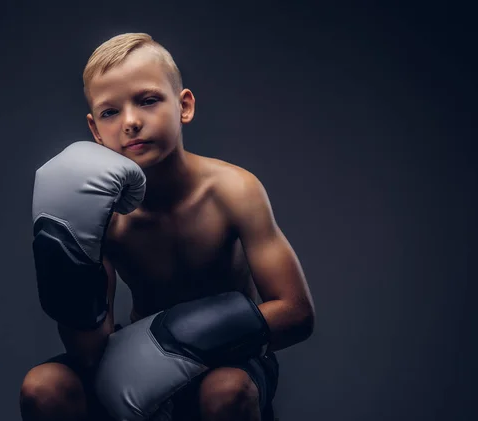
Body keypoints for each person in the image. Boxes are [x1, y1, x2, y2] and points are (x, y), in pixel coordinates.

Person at [19, 32, 315, 421]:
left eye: (148, 100)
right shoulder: (105, 215)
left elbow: (296, 313)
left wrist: (183, 342)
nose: (130, 122)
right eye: (110, 112)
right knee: (44, 387)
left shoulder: (234, 190)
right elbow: (89, 350)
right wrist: (64, 264)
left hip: (232, 357)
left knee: (226, 390)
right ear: (95, 130)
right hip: (136, 362)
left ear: (184, 105)